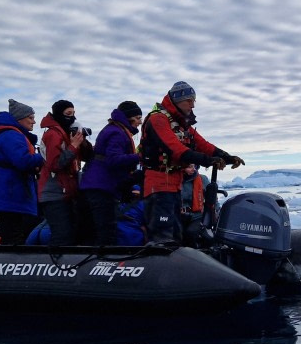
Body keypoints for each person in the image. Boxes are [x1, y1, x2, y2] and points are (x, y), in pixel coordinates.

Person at [141, 81, 244, 246]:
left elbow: (203, 145)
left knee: (175, 234)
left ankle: (176, 265)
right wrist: (208, 161)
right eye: (189, 100)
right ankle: (158, 263)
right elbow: (176, 149)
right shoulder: (158, 119)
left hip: (174, 186)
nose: (193, 105)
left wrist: (227, 157)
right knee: (162, 234)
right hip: (158, 186)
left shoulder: (180, 124)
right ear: (176, 99)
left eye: (194, 100)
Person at [80, 101, 143, 245]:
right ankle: (103, 262)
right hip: (101, 186)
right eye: (138, 117)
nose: (140, 122)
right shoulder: (117, 132)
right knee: (107, 230)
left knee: (101, 228)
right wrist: (140, 157)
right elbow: (113, 159)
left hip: (98, 185)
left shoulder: (114, 129)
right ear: (129, 117)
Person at [0, 99, 46, 245]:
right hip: (10, 197)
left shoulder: (11, 135)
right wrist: (44, 156)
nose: (34, 122)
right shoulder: (11, 136)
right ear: (20, 118)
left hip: (11, 197)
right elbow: (23, 161)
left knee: (16, 236)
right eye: (31, 118)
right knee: (14, 238)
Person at [37, 100, 93, 245]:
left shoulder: (68, 133)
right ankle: (55, 265)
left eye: (74, 114)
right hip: (54, 194)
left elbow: (87, 156)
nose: (72, 117)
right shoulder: (53, 134)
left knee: (73, 233)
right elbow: (55, 164)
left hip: (68, 192)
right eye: (68, 114)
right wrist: (73, 146)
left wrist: (82, 141)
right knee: (62, 235)